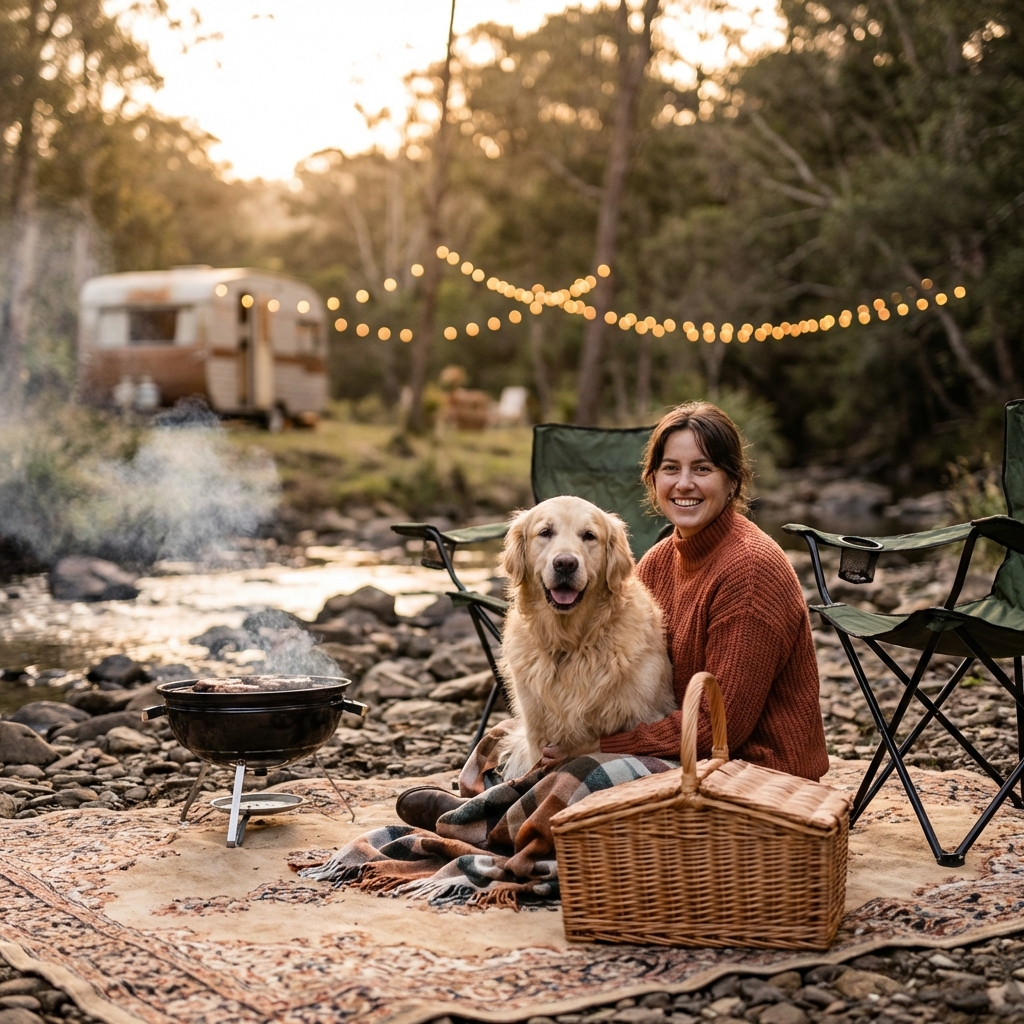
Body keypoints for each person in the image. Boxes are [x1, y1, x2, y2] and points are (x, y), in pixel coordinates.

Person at [302, 401, 828, 907]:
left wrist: (602, 743)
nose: (684, 483)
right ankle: (491, 810)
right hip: (683, 741)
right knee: (504, 741)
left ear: (733, 481)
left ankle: (482, 824)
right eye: (671, 468)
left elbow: (724, 730)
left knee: (583, 774)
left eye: (703, 468)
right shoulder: (663, 557)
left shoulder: (750, 571)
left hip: (750, 771)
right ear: (653, 481)